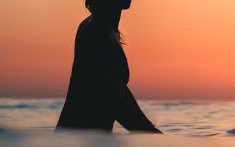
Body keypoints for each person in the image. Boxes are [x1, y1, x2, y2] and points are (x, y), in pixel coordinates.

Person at [56, 0, 162, 134]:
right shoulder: (97, 33)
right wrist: (152, 135)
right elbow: (116, 101)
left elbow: (120, 91)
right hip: (80, 145)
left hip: (78, 142)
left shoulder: (102, 28)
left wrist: (151, 132)